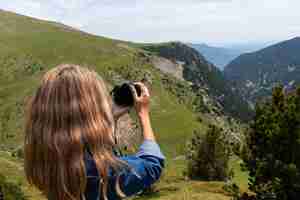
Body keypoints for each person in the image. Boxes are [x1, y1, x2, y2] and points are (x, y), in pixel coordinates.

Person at [24, 64, 165, 200]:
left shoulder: (49, 162)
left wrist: (111, 119)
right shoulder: (97, 173)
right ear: (88, 114)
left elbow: (99, 155)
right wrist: (143, 114)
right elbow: (152, 165)